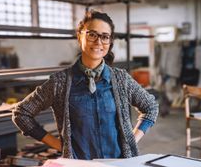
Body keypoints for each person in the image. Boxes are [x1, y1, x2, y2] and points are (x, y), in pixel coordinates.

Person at [12, 9, 159, 159]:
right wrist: (60, 145)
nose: (98, 42)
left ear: (110, 42)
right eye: (92, 34)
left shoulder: (121, 79)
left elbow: (151, 107)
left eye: (105, 37)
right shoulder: (60, 83)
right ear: (79, 36)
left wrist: (131, 140)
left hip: (118, 163)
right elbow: (21, 114)